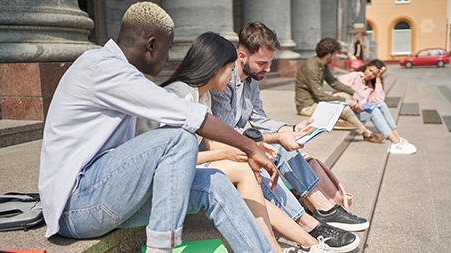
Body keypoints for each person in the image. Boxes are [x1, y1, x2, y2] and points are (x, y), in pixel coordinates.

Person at [38, 3, 281, 253]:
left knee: (215, 183)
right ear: (152, 44)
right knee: (179, 137)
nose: (168, 58)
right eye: (168, 49)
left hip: (108, 194)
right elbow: (187, 114)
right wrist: (251, 147)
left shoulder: (120, 71)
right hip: (77, 205)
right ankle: (161, 249)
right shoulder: (102, 67)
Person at [137, 31, 335, 253]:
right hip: (157, 178)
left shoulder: (203, 95)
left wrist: (249, 150)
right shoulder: (180, 97)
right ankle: (287, 246)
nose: (233, 76)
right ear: (216, 67)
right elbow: (170, 160)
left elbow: (212, 145)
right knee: (242, 170)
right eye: (231, 69)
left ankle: (310, 244)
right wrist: (229, 154)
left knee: (247, 170)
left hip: (182, 167)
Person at [210, 21, 366, 252]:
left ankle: (323, 207)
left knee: (285, 145)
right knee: (269, 152)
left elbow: (259, 118)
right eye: (262, 63)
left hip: (241, 141)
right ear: (241, 55)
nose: (268, 69)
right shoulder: (223, 80)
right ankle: (306, 222)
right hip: (223, 148)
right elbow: (228, 132)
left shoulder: (252, 80)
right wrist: (273, 139)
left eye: (270, 63)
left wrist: (291, 129)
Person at [295, 37, 385, 143]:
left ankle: (343, 120)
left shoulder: (321, 65)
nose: (335, 57)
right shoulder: (312, 68)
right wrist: (345, 101)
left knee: (345, 96)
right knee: (344, 108)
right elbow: (319, 95)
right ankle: (365, 133)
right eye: (335, 54)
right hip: (307, 106)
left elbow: (334, 82)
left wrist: (353, 92)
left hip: (316, 101)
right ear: (329, 54)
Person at [335, 59, 417, 155]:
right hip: (345, 112)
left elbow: (379, 100)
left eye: (374, 74)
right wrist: (352, 102)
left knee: (382, 105)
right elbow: (338, 86)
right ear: (366, 67)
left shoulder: (370, 85)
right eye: (370, 70)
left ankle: (397, 137)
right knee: (374, 112)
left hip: (357, 112)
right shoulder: (355, 76)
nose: (370, 75)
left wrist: (378, 78)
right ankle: (395, 142)